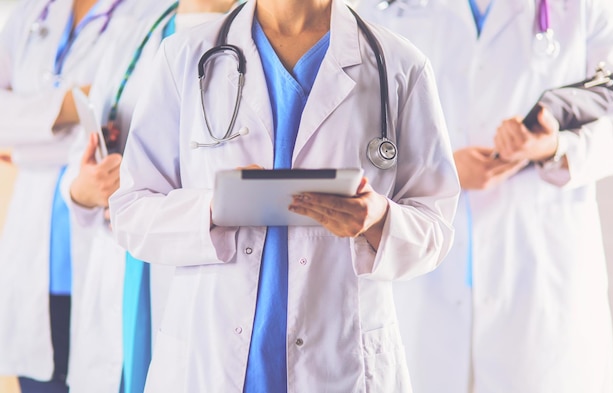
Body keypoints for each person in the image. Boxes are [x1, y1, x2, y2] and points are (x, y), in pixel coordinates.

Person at [108, 0, 460, 391]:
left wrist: (378, 220)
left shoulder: (399, 66)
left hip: (339, 363)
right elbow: (131, 211)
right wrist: (212, 208)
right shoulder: (185, 58)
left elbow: (436, 227)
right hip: (209, 361)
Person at [356, 0, 613, 392]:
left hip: (539, 280)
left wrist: (555, 145)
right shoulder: (382, 8)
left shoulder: (590, 7)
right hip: (421, 281)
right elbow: (350, 131)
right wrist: (440, 169)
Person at [59, 1, 242, 392]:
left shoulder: (263, 38)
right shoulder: (136, 31)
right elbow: (82, 149)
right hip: (121, 259)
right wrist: (84, 188)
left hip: (199, 257)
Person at [0, 0, 151, 391]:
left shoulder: (152, 13)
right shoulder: (30, 14)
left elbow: (130, 129)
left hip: (106, 249)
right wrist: (72, 105)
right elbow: (94, 120)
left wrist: (21, 143)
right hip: (35, 261)